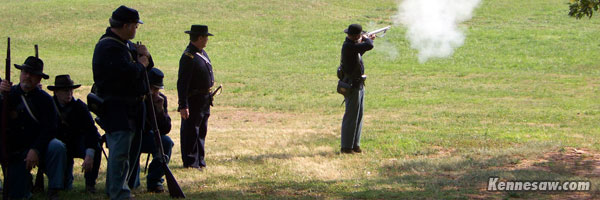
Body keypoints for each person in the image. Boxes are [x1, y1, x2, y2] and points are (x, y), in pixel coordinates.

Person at [92, 5, 153, 199]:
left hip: (130, 108)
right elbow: (124, 75)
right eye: (134, 25)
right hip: (117, 107)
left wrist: (145, 57)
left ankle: (121, 187)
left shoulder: (123, 44)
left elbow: (144, 70)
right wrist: (140, 64)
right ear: (126, 25)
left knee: (127, 152)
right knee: (119, 153)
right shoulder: (109, 46)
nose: (136, 29)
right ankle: (118, 191)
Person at [0, 56, 67, 199]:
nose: (28, 76)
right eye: (25, 72)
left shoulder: (45, 100)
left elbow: (50, 129)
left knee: (57, 147)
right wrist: (1, 95)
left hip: (39, 146)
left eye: (32, 74)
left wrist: (36, 149)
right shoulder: (9, 95)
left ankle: (54, 189)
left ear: (39, 79)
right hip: (15, 150)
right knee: (16, 194)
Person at [48, 74, 102, 193]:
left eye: (70, 90)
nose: (69, 93)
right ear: (56, 92)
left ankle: (90, 184)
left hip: (77, 143)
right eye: (64, 90)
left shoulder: (80, 107)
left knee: (95, 149)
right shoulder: (49, 106)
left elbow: (91, 131)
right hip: (58, 146)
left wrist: (89, 154)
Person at [128, 68, 173, 193]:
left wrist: (159, 111)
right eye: (153, 88)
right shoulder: (136, 99)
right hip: (133, 136)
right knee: (131, 183)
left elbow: (165, 129)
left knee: (166, 142)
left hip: (148, 137)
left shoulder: (160, 100)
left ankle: (155, 181)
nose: (155, 92)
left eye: (157, 89)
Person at [177, 25, 215, 169]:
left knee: (201, 130)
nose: (206, 40)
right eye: (205, 37)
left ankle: (200, 160)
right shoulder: (188, 57)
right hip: (193, 98)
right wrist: (183, 104)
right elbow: (182, 83)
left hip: (204, 99)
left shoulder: (201, 53)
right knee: (191, 131)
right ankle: (191, 161)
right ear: (199, 38)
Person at [339, 24, 375, 154]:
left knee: (358, 116)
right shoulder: (348, 46)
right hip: (352, 85)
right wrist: (367, 39)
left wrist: (365, 39)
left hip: (358, 83)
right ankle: (346, 147)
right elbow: (369, 45)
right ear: (356, 36)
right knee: (351, 117)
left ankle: (355, 145)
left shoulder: (352, 46)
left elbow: (361, 50)